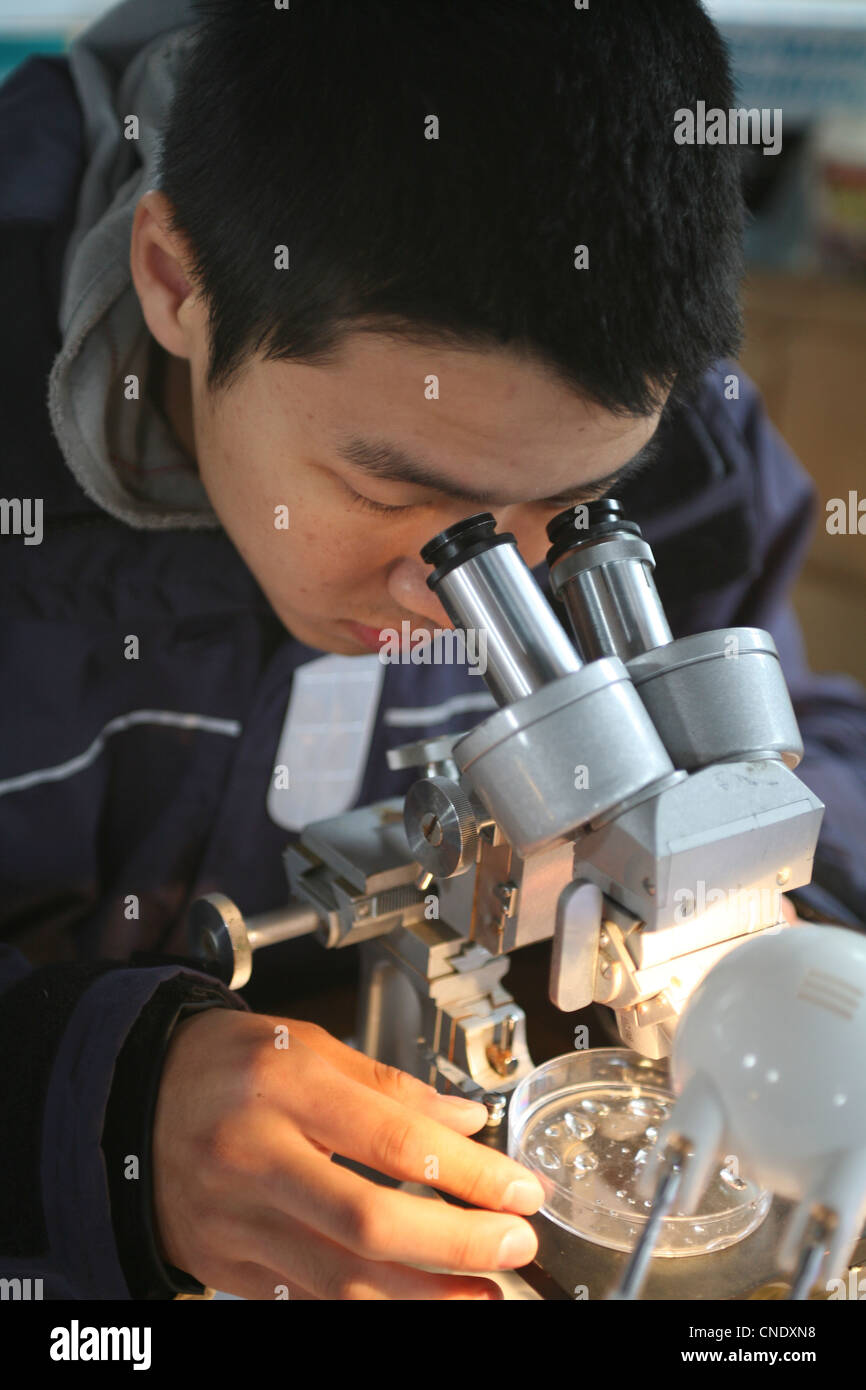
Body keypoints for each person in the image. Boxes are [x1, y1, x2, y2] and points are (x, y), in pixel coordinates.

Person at [1, 0, 864, 1302]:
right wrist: (84, 1105)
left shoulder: (675, 432)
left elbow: (799, 739)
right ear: (175, 282)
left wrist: (790, 938)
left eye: (560, 515)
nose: (472, 598)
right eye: (400, 496)